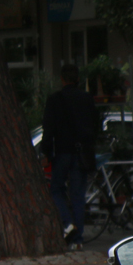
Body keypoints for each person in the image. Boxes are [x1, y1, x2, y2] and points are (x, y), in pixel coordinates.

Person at [43, 63, 98, 250]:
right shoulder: (86, 98)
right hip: (81, 152)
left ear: (62, 79)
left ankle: (68, 224)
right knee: (78, 195)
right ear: (78, 80)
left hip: (62, 152)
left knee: (56, 190)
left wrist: (46, 152)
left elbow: (48, 128)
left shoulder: (55, 100)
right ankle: (78, 240)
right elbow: (95, 124)